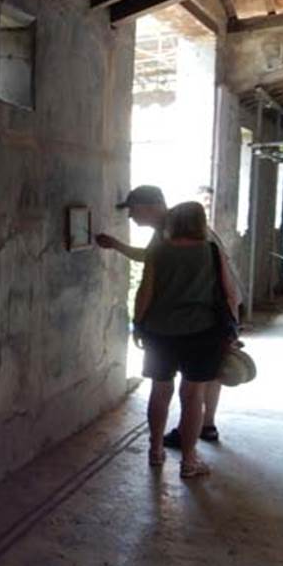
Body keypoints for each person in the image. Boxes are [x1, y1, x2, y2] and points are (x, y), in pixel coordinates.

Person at [96, 185, 240, 446]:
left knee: (183, 385)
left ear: (152, 206)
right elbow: (153, 259)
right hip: (208, 318)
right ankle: (200, 433)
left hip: (204, 315)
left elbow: (150, 275)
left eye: (133, 209)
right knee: (199, 380)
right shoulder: (179, 228)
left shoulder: (177, 231)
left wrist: (139, 323)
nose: (130, 216)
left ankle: (188, 434)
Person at [133, 201, 238, 478]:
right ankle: (189, 461)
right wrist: (233, 329)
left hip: (160, 332)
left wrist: (137, 324)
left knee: (160, 390)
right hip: (202, 333)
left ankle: (155, 451)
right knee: (193, 397)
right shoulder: (212, 252)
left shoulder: (158, 252)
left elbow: (145, 293)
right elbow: (229, 294)